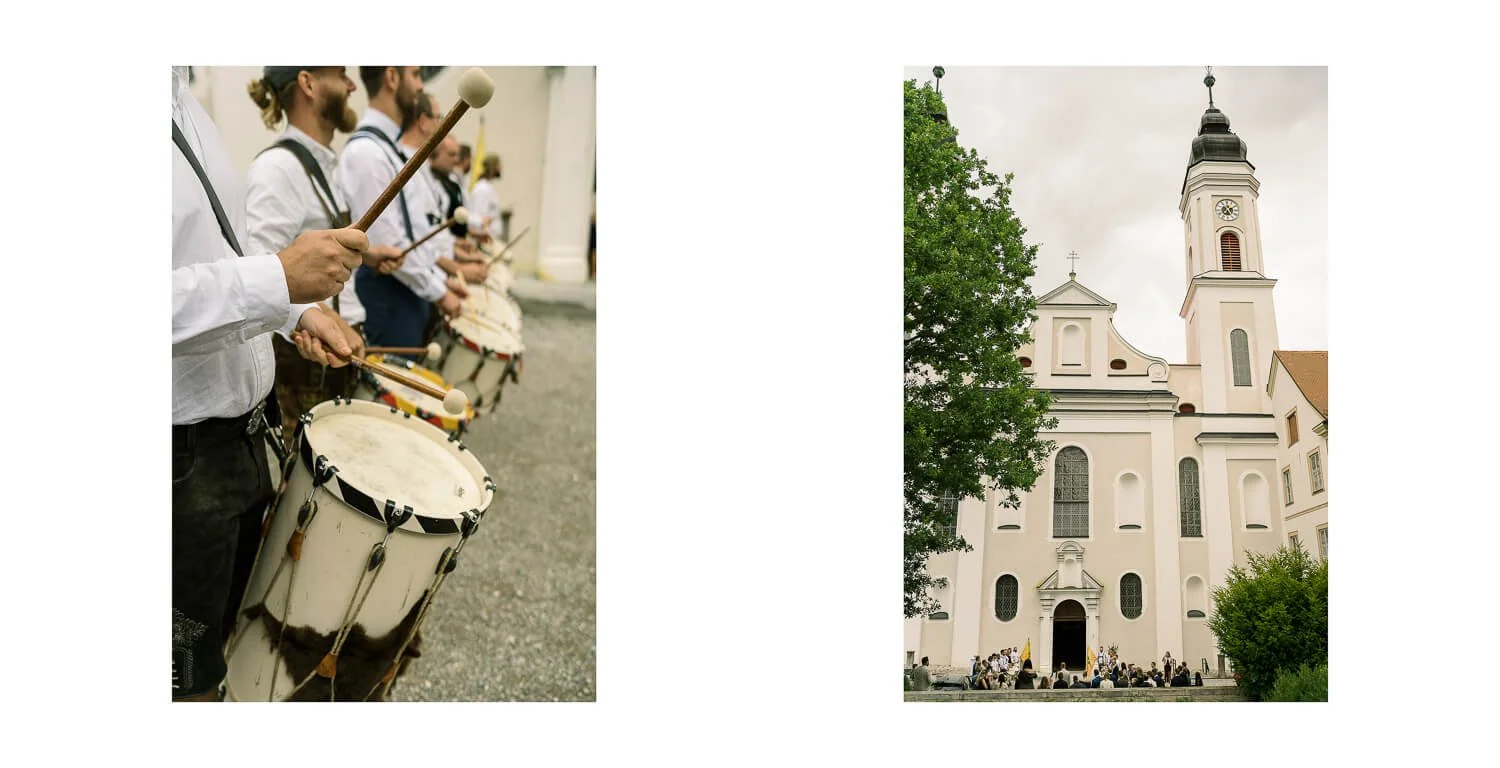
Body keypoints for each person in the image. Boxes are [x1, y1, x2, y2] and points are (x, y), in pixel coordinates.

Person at [173, 66, 368, 701]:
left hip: (243, 439)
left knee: (233, 648)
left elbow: (220, 260)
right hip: (181, 458)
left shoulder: (188, 102)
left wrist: (292, 309)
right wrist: (280, 275)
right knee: (182, 688)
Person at [245, 65, 402, 425]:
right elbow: (260, 269)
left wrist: (370, 256)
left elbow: (310, 253)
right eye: (341, 74)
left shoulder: (320, 165)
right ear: (308, 83)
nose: (351, 85)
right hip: (307, 364)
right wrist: (321, 318)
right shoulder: (278, 169)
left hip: (337, 350)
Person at [340, 66, 463, 350]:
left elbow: (416, 235)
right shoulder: (368, 154)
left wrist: (439, 281)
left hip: (408, 293)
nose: (421, 86)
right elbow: (389, 244)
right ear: (392, 78)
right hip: (388, 298)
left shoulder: (388, 151)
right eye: (416, 74)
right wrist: (439, 291)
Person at [468, 152, 503, 241]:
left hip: (490, 239)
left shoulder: (488, 187)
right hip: (484, 240)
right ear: (493, 167)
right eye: (499, 165)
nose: (502, 168)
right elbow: (479, 217)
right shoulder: (482, 189)